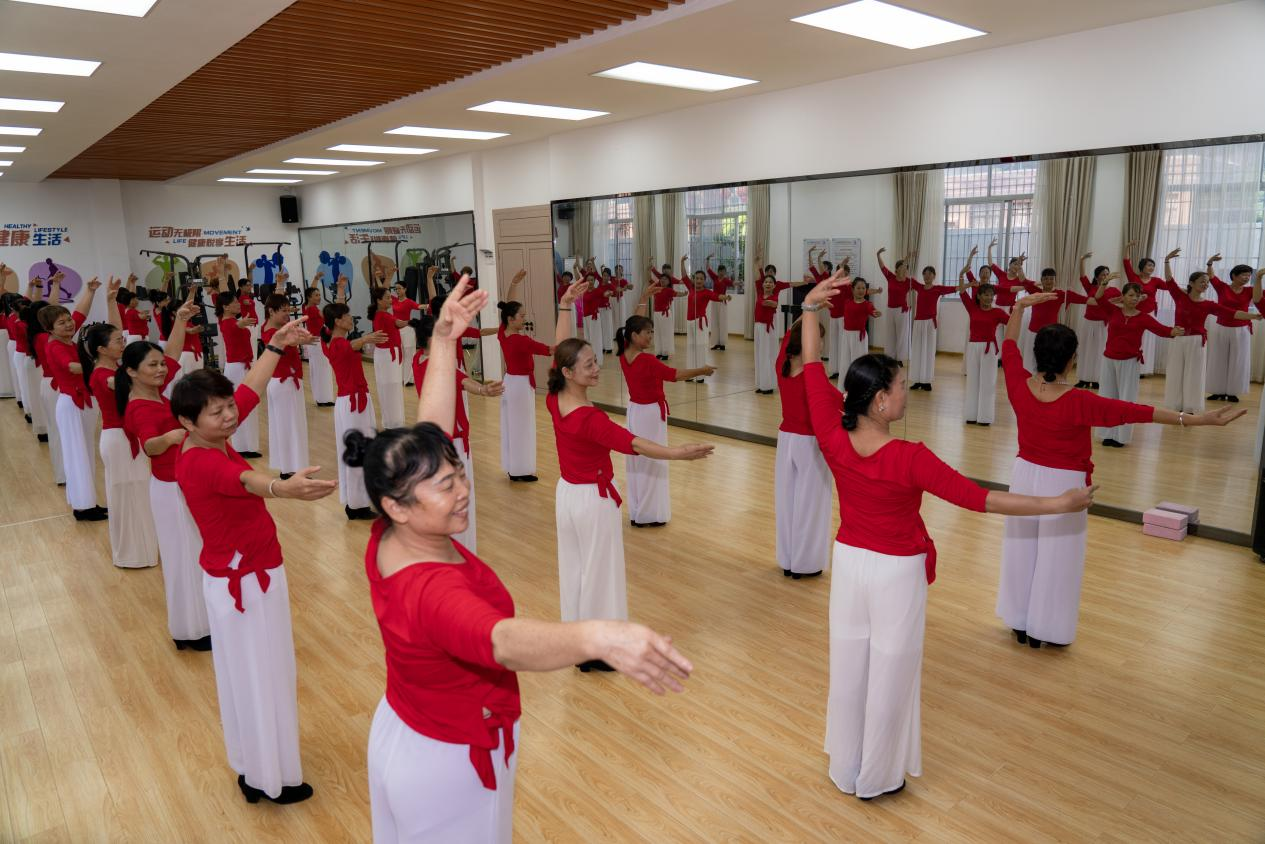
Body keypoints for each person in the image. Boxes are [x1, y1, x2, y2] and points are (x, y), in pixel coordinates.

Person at [352, 277, 691, 843]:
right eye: (445, 485)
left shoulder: (391, 532)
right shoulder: (429, 589)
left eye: (458, 474)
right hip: (447, 760)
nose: (462, 490)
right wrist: (600, 637)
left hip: (408, 727)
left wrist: (444, 341)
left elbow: (432, 423)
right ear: (397, 505)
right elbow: (501, 642)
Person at [798, 272, 1096, 801]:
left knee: (848, 663)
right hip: (896, 571)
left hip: (848, 562)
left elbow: (813, 364)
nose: (905, 392)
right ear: (881, 402)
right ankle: (878, 775)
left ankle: (846, 766)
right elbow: (980, 499)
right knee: (891, 668)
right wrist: (1056, 503)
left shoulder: (831, 431)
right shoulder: (909, 457)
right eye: (899, 386)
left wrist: (809, 309)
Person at [997, 292, 1246, 648]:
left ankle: (1020, 623)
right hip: (1064, 485)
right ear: (1072, 360)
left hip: (1023, 475)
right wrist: (1196, 419)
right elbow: (1138, 412)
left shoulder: (1017, 382)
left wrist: (1019, 308)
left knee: (1021, 549)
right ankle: (1045, 630)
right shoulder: (1081, 400)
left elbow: (1009, 345)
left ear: (1037, 355)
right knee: (1058, 558)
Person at [172, 314, 333, 806]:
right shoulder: (200, 460)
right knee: (260, 676)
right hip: (244, 584)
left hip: (250, 576)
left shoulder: (211, 438)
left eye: (227, 409)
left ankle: (256, 767)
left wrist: (276, 345)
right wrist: (283, 486)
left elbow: (250, 390)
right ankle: (267, 777)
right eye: (216, 412)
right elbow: (245, 481)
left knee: (258, 674)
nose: (228, 417)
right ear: (187, 422)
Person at [550, 280, 713, 669]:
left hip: (566, 494)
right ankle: (600, 650)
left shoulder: (555, 398)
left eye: (596, 360)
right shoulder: (590, 418)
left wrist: (565, 307)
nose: (597, 368)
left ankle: (579, 642)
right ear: (570, 372)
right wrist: (677, 453)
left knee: (575, 568)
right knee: (601, 573)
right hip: (592, 500)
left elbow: (559, 352)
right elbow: (634, 444)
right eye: (589, 365)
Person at [118, 295, 208, 649]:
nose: (160, 370)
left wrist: (180, 319)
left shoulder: (156, 392)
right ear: (131, 372)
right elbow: (149, 446)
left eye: (159, 365)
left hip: (180, 483)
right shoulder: (141, 405)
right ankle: (190, 630)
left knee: (192, 552)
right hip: (170, 490)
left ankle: (198, 624)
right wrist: (169, 437)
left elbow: (171, 352)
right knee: (181, 556)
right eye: (151, 366)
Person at [615, 288, 715, 528]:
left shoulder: (624, 353)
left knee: (639, 459)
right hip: (650, 413)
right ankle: (650, 514)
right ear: (635, 335)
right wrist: (702, 369)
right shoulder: (647, 360)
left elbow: (632, 324)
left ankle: (639, 511)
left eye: (652, 332)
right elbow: (674, 375)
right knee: (653, 458)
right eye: (647, 333)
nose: (651, 336)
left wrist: (643, 298)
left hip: (635, 410)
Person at [412, 313, 504, 551]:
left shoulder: (417, 359)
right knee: (457, 496)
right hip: (451, 440)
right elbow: (461, 379)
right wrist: (482, 390)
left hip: (435, 438)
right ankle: (460, 549)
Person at [85, 294, 160, 568]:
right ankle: (130, 553)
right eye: (118, 341)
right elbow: (131, 390)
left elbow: (119, 330)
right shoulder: (102, 375)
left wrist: (111, 302)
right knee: (126, 494)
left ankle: (144, 549)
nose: (123, 343)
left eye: (122, 340)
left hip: (127, 437)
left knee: (138, 490)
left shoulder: (114, 368)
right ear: (102, 349)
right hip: (118, 439)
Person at [1159, 248, 1260, 413]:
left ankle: (1191, 406)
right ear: (1191, 283)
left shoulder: (1208, 304)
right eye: (1202, 282)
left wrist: (1254, 316)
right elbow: (1169, 280)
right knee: (1176, 372)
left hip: (1197, 341)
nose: (1206, 285)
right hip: (1178, 339)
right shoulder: (1179, 296)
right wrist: (1166, 261)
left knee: (1194, 374)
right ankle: (1174, 404)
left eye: (1207, 282)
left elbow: (1233, 313)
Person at [43, 275, 109, 520]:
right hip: (72, 404)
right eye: (62, 323)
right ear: (50, 329)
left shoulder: (66, 339)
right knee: (77, 455)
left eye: (68, 320)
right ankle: (83, 507)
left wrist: (90, 291)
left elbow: (80, 313)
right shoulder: (55, 345)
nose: (70, 324)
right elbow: (72, 367)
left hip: (82, 402)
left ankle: (88, 501)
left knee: (85, 453)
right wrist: (101, 367)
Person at [775, 314, 835, 579]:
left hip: (786, 440)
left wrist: (808, 311)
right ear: (810, 342)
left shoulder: (782, 365)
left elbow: (788, 333)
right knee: (810, 503)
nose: (821, 344)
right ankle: (805, 563)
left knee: (787, 501)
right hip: (809, 443)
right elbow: (835, 400)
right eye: (819, 339)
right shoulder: (814, 373)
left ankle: (788, 561)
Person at [324, 276, 388, 520]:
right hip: (351, 404)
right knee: (357, 452)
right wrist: (366, 338)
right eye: (348, 316)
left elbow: (350, 342)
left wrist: (341, 290)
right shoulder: (336, 344)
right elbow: (350, 346)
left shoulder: (337, 339)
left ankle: (358, 502)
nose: (352, 319)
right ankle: (356, 505)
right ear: (338, 321)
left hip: (358, 401)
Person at [1091, 282, 1182, 447]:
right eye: (1131, 295)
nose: (1134, 298)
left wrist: (1173, 331)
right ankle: (1106, 433)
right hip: (1109, 359)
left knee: (1126, 399)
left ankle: (1121, 437)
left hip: (1129, 362)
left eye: (1137, 296)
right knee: (1107, 397)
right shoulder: (1113, 311)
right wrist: (1103, 284)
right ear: (1123, 296)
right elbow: (1098, 298)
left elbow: (1162, 330)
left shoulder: (1143, 317)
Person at [494, 269, 551, 484]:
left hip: (511, 382)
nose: (524, 318)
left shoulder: (503, 333)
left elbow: (508, 307)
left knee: (514, 427)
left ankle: (514, 468)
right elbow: (547, 350)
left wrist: (514, 283)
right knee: (522, 428)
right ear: (511, 319)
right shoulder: (520, 340)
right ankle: (521, 470)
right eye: (522, 316)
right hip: (520, 386)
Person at [261, 294, 311, 478]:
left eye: (288, 310)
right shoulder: (271, 333)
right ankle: (291, 469)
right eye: (283, 310)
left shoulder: (275, 328)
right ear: (271, 311)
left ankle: (292, 467)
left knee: (291, 426)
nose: (287, 314)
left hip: (288, 382)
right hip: (284, 383)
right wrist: (297, 341)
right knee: (288, 427)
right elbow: (280, 345)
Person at [956, 257, 1010, 426]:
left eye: (991, 295)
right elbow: (961, 291)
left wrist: (1020, 308)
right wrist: (961, 275)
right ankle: (971, 415)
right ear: (978, 296)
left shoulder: (998, 312)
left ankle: (985, 417)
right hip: (973, 347)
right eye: (985, 295)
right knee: (973, 381)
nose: (988, 298)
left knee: (987, 382)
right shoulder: (972, 307)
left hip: (989, 349)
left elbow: (1012, 322)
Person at [1205, 256, 1264, 402]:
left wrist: (1259, 278)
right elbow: (1211, 276)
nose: (1247, 278)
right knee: (1218, 359)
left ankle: (1232, 392)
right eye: (1244, 275)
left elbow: (1258, 297)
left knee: (1237, 361)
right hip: (1222, 328)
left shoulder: (1250, 290)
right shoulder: (1222, 287)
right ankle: (1217, 391)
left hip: (1241, 330)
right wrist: (1210, 263)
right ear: (1234, 276)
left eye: (1249, 276)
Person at [216, 289, 262, 458]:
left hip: (242, 367)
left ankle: (246, 446)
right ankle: (242, 446)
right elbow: (237, 325)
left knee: (245, 405)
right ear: (225, 307)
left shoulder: (232, 321)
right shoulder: (228, 322)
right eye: (234, 302)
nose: (238, 304)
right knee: (241, 405)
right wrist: (242, 323)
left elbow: (239, 324)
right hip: (236, 368)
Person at [1074, 254, 1121, 389]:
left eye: (1107, 274)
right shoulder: (1090, 288)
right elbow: (1082, 276)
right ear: (1096, 277)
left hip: (1103, 325)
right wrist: (1081, 260)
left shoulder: (1114, 291)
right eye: (1102, 274)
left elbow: (1123, 300)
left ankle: (1097, 379)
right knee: (1085, 350)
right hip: (1088, 324)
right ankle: (1083, 379)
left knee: (1099, 352)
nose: (1105, 276)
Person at [680, 257, 729, 382]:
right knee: (691, 347)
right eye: (696, 278)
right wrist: (682, 262)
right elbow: (684, 276)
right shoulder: (691, 288)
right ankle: (690, 374)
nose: (699, 280)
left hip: (700, 323)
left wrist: (726, 297)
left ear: (704, 280)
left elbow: (717, 296)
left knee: (700, 348)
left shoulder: (707, 292)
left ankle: (700, 376)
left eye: (701, 279)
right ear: (694, 279)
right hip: (690, 322)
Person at [906, 265, 955, 390]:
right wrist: (906, 264)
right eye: (925, 274)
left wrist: (969, 284)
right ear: (923, 276)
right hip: (918, 323)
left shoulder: (938, 289)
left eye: (930, 274)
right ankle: (917, 380)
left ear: (934, 276)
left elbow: (955, 288)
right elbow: (907, 277)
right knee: (917, 351)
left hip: (930, 324)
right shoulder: (919, 287)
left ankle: (926, 381)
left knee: (928, 351)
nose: (927, 276)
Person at [1121, 241, 1165, 375]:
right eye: (1149, 265)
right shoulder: (1133, 277)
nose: (1152, 267)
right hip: (1134, 313)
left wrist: (1187, 290)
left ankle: (1144, 369)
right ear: (1142, 266)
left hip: (1149, 313)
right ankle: (1132, 364)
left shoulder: (1156, 281)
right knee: (1134, 338)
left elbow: (1171, 287)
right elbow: (1126, 263)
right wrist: (1127, 247)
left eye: (1153, 266)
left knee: (1148, 341)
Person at [370, 286, 409, 428]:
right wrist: (413, 322)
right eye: (387, 298)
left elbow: (397, 324)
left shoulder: (383, 314)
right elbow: (399, 323)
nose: (390, 300)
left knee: (391, 386)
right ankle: (393, 422)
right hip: (387, 356)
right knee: (390, 387)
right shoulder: (382, 315)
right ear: (379, 301)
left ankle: (393, 421)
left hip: (388, 355)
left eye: (390, 297)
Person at [876, 247, 912, 360]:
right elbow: (882, 267)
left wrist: (906, 258)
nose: (903, 270)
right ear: (896, 270)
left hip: (902, 311)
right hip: (890, 309)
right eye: (901, 268)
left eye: (905, 268)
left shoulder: (908, 282)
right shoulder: (890, 277)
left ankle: (900, 358)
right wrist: (878, 255)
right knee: (890, 334)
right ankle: (890, 356)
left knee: (901, 335)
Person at [647, 260, 688, 360]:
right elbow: (650, 280)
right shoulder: (657, 288)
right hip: (656, 314)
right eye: (662, 279)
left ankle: (665, 353)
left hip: (665, 314)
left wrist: (684, 293)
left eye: (665, 279)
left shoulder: (669, 290)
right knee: (657, 333)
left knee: (665, 333)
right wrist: (650, 267)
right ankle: (659, 352)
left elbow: (677, 294)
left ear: (669, 281)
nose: (663, 280)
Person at [304, 283, 335, 405]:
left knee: (320, 369)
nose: (319, 297)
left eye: (319, 295)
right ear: (309, 297)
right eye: (316, 295)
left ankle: (322, 398)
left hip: (316, 342)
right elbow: (326, 318)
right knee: (321, 370)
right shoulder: (312, 309)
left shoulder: (309, 307)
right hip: (316, 342)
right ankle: (323, 399)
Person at [393, 280, 423, 386]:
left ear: (405, 289)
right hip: (397, 330)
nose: (397, 290)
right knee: (399, 355)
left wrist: (431, 304)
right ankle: (401, 378)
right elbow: (382, 289)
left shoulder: (409, 302)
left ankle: (410, 379)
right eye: (396, 289)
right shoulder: (393, 300)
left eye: (399, 288)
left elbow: (419, 306)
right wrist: (378, 278)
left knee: (409, 354)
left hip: (407, 330)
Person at [705, 254, 736, 351]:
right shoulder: (714, 277)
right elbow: (708, 269)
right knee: (714, 323)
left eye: (723, 271)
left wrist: (739, 283)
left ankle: (722, 343)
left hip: (722, 303)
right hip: (714, 302)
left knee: (722, 323)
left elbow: (733, 283)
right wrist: (708, 259)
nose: (722, 273)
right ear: (718, 271)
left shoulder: (726, 280)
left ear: (725, 272)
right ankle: (715, 343)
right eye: (720, 271)